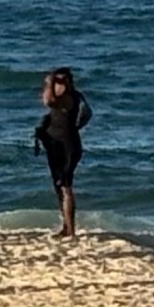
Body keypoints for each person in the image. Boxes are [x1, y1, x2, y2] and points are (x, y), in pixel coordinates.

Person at [37, 68, 93, 238]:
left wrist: (50, 82)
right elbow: (86, 116)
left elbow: (48, 101)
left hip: (67, 147)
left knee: (66, 186)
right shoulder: (70, 97)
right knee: (58, 186)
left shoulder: (69, 99)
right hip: (56, 146)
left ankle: (70, 229)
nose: (57, 86)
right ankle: (66, 226)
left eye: (60, 82)